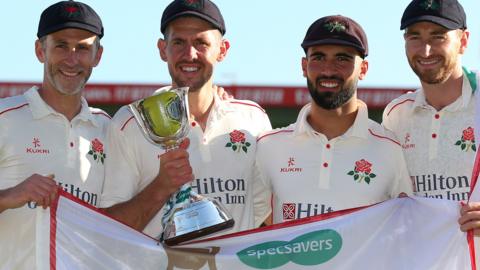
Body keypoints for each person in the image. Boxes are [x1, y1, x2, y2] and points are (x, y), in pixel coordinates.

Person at [100, 0, 271, 240]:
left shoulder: (253, 119)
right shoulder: (131, 122)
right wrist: (161, 186)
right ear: (162, 49)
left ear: (222, 50)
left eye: (201, 43)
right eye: (179, 42)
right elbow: (108, 229)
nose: (189, 54)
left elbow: (264, 213)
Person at [254, 15, 413, 225]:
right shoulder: (268, 146)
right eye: (318, 58)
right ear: (304, 66)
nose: (328, 70)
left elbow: (408, 230)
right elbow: (246, 225)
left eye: (342, 59)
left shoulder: (391, 149)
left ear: (363, 69)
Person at [0, 1, 108, 268]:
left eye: (82, 48)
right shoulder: (5, 117)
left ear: (98, 55)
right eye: (61, 45)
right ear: (40, 50)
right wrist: (9, 196)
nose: (71, 59)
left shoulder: (109, 128)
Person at [381, 0, 480, 235]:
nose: (426, 50)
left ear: (463, 41)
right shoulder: (396, 115)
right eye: (415, 37)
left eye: (438, 36)